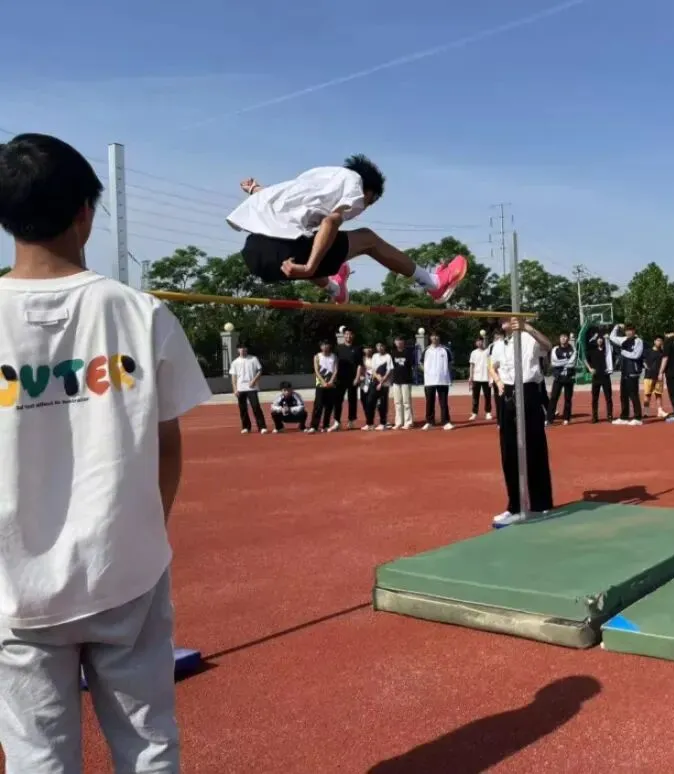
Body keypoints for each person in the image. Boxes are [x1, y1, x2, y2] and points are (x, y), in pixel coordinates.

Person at [0, 132, 210, 771]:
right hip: (125, 568)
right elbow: (167, 445)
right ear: (85, 214)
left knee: (38, 756)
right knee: (148, 744)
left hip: (15, 585)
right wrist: (147, 526)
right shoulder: (141, 313)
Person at [226, 156, 467, 304]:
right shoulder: (355, 185)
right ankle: (434, 283)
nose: (363, 208)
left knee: (314, 242)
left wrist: (254, 189)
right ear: (369, 192)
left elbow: (278, 199)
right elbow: (331, 222)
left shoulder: (316, 177)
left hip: (255, 254)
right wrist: (309, 267)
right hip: (285, 253)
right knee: (366, 239)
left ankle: (334, 289)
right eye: (369, 203)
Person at [488, 318, 554, 527]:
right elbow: (492, 366)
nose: (505, 321)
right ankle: (514, 506)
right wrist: (498, 381)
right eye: (502, 319)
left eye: (508, 317)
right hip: (508, 394)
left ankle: (541, 503)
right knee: (509, 450)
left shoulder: (529, 337)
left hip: (529, 390)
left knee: (534, 446)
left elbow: (548, 346)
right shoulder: (498, 345)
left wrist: (528, 328)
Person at [609, 323, 644, 425]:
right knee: (623, 395)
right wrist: (616, 327)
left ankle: (638, 418)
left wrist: (623, 352)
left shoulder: (638, 341)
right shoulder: (623, 339)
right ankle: (624, 417)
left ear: (634, 331)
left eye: (631, 330)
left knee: (633, 395)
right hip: (624, 371)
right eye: (627, 330)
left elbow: (636, 355)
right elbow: (612, 337)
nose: (629, 332)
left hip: (633, 371)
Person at [230, 342, 268, 434]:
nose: (242, 350)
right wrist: (235, 389)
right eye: (240, 348)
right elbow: (234, 376)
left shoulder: (253, 359)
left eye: (244, 348)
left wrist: (253, 381)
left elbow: (260, 371)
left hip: (252, 388)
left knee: (256, 407)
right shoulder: (235, 362)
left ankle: (262, 427)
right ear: (238, 350)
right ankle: (246, 427)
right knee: (243, 408)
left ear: (247, 349)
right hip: (240, 388)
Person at [422, 333, 453, 430]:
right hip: (429, 380)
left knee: (443, 402)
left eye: (436, 336)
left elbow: (450, 363)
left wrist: (446, 374)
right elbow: (420, 363)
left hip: (442, 380)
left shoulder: (445, 350)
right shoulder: (426, 350)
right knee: (429, 402)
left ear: (439, 337)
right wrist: (427, 372)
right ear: (430, 338)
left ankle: (446, 422)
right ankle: (429, 422)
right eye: (433, 336)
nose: (435, 338)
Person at [334, 328, 363, 429]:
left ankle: (351, 420)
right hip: (340, 378)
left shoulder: (357, 348)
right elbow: (335, 363)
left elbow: (359, 365)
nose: (348, 336)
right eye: (346, 334)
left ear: (353, 336)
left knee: (352, 400)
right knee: (338, 400)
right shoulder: (338, 348)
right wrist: (334, 377)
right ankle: (337, 421)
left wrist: (357, 377)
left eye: (350, 334)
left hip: (353, 378)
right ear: (344, 335)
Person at [585, 329, 614, 423]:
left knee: (608, 398)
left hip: (605, 376)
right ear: (596, 340)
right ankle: (594, 416)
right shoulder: (592, 350)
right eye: (598, 338)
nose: (600, 340)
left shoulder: (607, 350)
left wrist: (608, 338)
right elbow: (585, 359)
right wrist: (589, 368)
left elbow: (612, 351)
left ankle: (610, 415)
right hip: (596, 377)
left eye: (601, 338)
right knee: (594, 398)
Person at [548, 332, 577, 425]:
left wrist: (562, 362)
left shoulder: (573, 349)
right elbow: (554, 363)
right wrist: (566, 361)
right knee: (553, 398)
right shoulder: (555, 349)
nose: (563, 338)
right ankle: (549, 418)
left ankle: (566, 418)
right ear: (559, 338)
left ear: (568, 338)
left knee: (568, 398)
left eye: (565, 337)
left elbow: (572, 363)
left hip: (569, 377)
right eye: (562, 337)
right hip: (558, 377)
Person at [311, 340, 339, 432]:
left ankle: (325, 425)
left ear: (329, 346)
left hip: (331, 384)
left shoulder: (334, 356)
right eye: (323, 345)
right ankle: (314, 426)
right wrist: (323, 382)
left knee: (329, 406)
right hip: (320, 384)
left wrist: (331, 381)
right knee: (318, 405)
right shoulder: (317, 356)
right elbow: (316, 370)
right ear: (320, 347)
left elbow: (335, 370)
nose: (325, 346)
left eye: (327, 345)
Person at [389, 335, 415, 429]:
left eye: (401, 340)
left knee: (406, 402)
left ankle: (408, 422)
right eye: (397, 340)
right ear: (395, 342)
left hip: (406, 380)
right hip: (396, 380)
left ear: (404, 342)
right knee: (397, 402)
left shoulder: (408, 352)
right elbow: (390, 367)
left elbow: (412, 365)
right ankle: (399, 422)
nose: (399, 342)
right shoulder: (392, 353)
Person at [641, 336, 668, 419]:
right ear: (654, 341)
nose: (659, 342)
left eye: (661, 341)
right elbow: (643, 360)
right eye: (658, 340)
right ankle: (646, 411)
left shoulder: (662, 352)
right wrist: (646, 366)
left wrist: (661, 373)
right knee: (647, 394)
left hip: (659, 376)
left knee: (658, 394)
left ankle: (660, 411)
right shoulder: (648, 351)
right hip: (648, 376)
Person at [468, 337, 493, 421]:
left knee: (487, 396)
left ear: (483, 342)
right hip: (476, 378)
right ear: (476, 343)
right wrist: (471, 376)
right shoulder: (473, 353)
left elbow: (490, 365)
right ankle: (474, 413)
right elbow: (472, 365)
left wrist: (491, 378)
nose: (479, 343)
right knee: (475, 397)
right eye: (477, 341)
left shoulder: (488, 352)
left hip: (486, 378)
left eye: (481, 341)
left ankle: (488, 412)